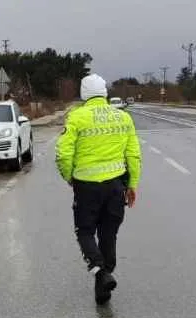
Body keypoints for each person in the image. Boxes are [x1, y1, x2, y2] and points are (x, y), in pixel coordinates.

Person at [55, 74, 142, 305]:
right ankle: (103, 282)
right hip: (115, 186)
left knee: (84, 231)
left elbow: (63, 153)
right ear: (105, 92)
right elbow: (133, 154)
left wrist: (69, 177)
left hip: (86, 187)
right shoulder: (123, 117)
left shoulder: (76, 117)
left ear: (84, 94)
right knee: (108, 233)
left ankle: (101, 272)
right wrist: (132, 184)